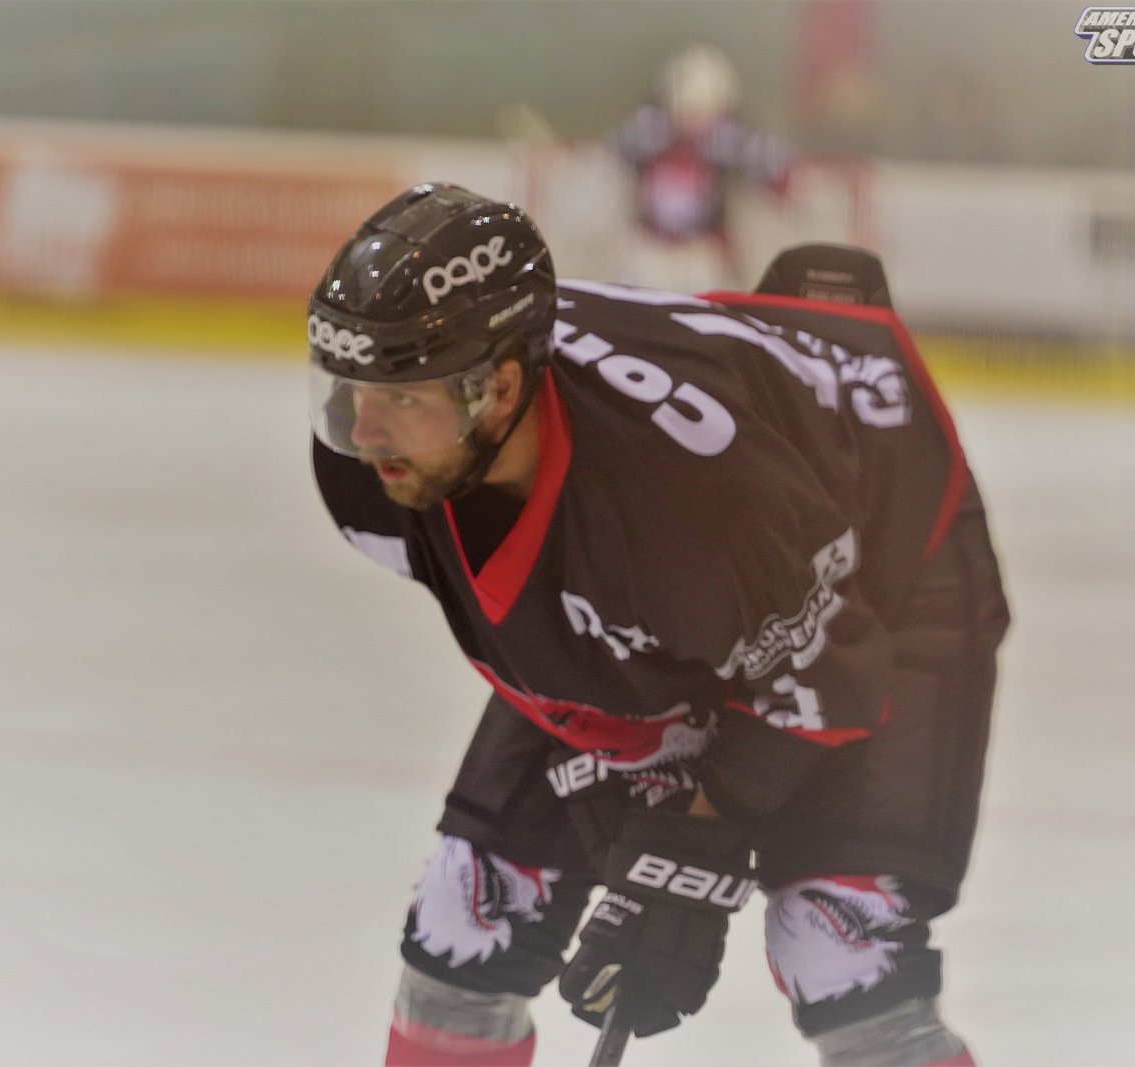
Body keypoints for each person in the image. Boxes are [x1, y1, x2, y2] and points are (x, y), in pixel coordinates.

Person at [307, 183, 1009, 1066]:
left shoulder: (690, 496)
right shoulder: (375, 471)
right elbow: (566, 618)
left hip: (885, 558)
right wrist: (625, 763)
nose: (362, 429)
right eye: (347, 388)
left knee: (838, 946)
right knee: (470, 915)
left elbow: (830, 667)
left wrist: (697, 838)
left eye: (403, 398)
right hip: (719, 581)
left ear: (502, 388)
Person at [610, 44, 794, 290]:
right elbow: (607, 163)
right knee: (634, 278)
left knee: (702, 282)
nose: (693, 118)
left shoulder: (729, 139)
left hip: (702, 249)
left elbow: (781, 174)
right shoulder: (647, 130)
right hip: (649, 245)